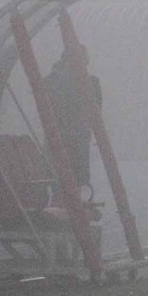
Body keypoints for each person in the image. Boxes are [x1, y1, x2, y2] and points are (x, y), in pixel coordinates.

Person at [44, 45, 102, 193]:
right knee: (69, 181)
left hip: (65, 139)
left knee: (65, 181)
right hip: (70, 139)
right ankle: (68, 206)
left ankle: (65, 204)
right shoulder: (91, 83)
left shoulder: (50, 81)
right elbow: (96, 113)